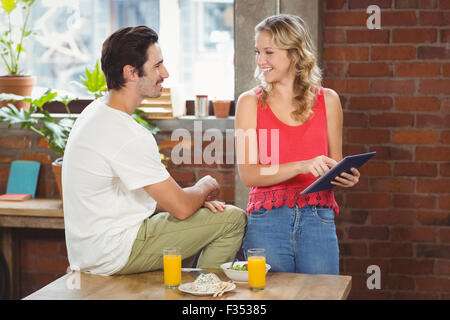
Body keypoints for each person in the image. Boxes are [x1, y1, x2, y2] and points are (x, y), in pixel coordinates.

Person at [62, 26, 246, 276]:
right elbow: (181, 207)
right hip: (115, 252)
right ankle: (204, 292)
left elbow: (168, 202)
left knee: (198, 218)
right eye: (157, 66)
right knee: (232, 220)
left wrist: (196, 202)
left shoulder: (95, 112)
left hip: (93, 250)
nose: (165, 73)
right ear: (131, 73)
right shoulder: (125, 132)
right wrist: (204, 186)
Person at [235, 14, 360, 275]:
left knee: (321, 295)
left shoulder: (329, 101)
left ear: (295, 53)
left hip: (318, 219)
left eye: (269, 52)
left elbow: (333, 164)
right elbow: (249, 174)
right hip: (267, 221)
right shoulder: (249, 103)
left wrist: (343, 175)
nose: (260, 61)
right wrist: (302, 165)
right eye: (258, 52)